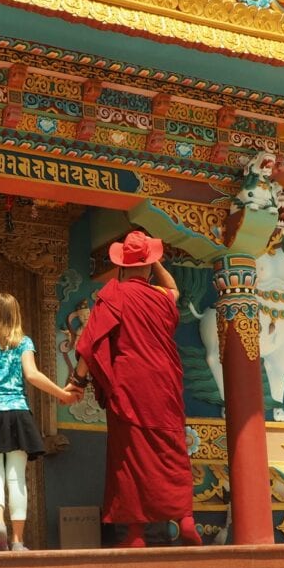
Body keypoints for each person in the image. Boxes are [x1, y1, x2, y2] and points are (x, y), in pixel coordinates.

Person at [70, 230, 200, 547]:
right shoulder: (161, 298)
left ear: (122, 266)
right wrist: (155, 262)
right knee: (171, 450)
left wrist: (78, 380)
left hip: (131, 386)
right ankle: (185, 520)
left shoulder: (115, 296)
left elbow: (91, 342)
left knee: (130, 459)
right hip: (165, 383)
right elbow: (173, 288)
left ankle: (137, 534)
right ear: (149, 264)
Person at [0, 293, 77, 551]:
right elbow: (32, 375)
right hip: (17, 412)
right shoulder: (23, 342)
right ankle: (17, 541)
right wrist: (62, 394)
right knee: (16, 477)